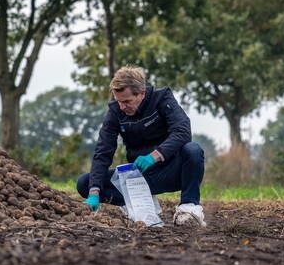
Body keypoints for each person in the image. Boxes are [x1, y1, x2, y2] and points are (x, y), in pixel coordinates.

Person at [76, 66, 206, 226]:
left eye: (127, 101)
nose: (122, 106)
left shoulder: (162, 98)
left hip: (172, 171)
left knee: (193, 150)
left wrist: (154, 156)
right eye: (118, 101)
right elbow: (103, 152)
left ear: (142, 93)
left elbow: (182, 131)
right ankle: (140, 203)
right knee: (84, 183)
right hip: (140, 176)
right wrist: (94, 191)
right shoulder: (115, 112)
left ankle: (189, 209)